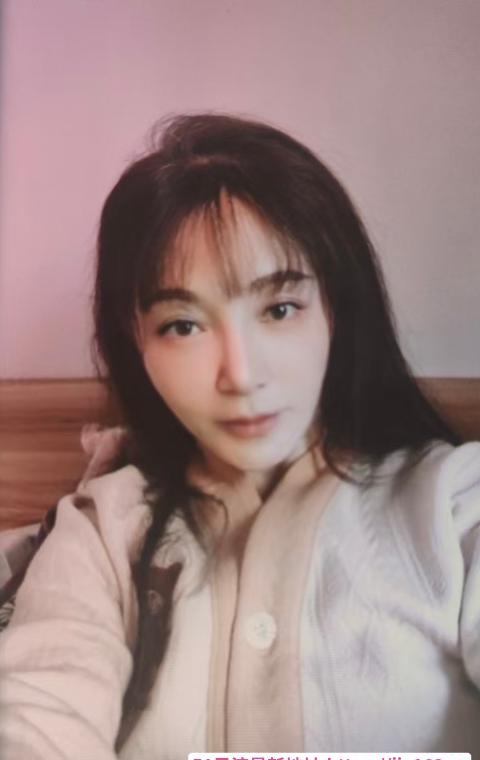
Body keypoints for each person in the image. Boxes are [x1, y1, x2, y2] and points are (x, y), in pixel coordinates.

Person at [0, 113, 479, 759]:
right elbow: (38, 713)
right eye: (183, 325)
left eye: (279, 309)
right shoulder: (102, 531)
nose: (242, 375)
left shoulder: (455, 503)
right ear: (136, 340)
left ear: (335, 309)